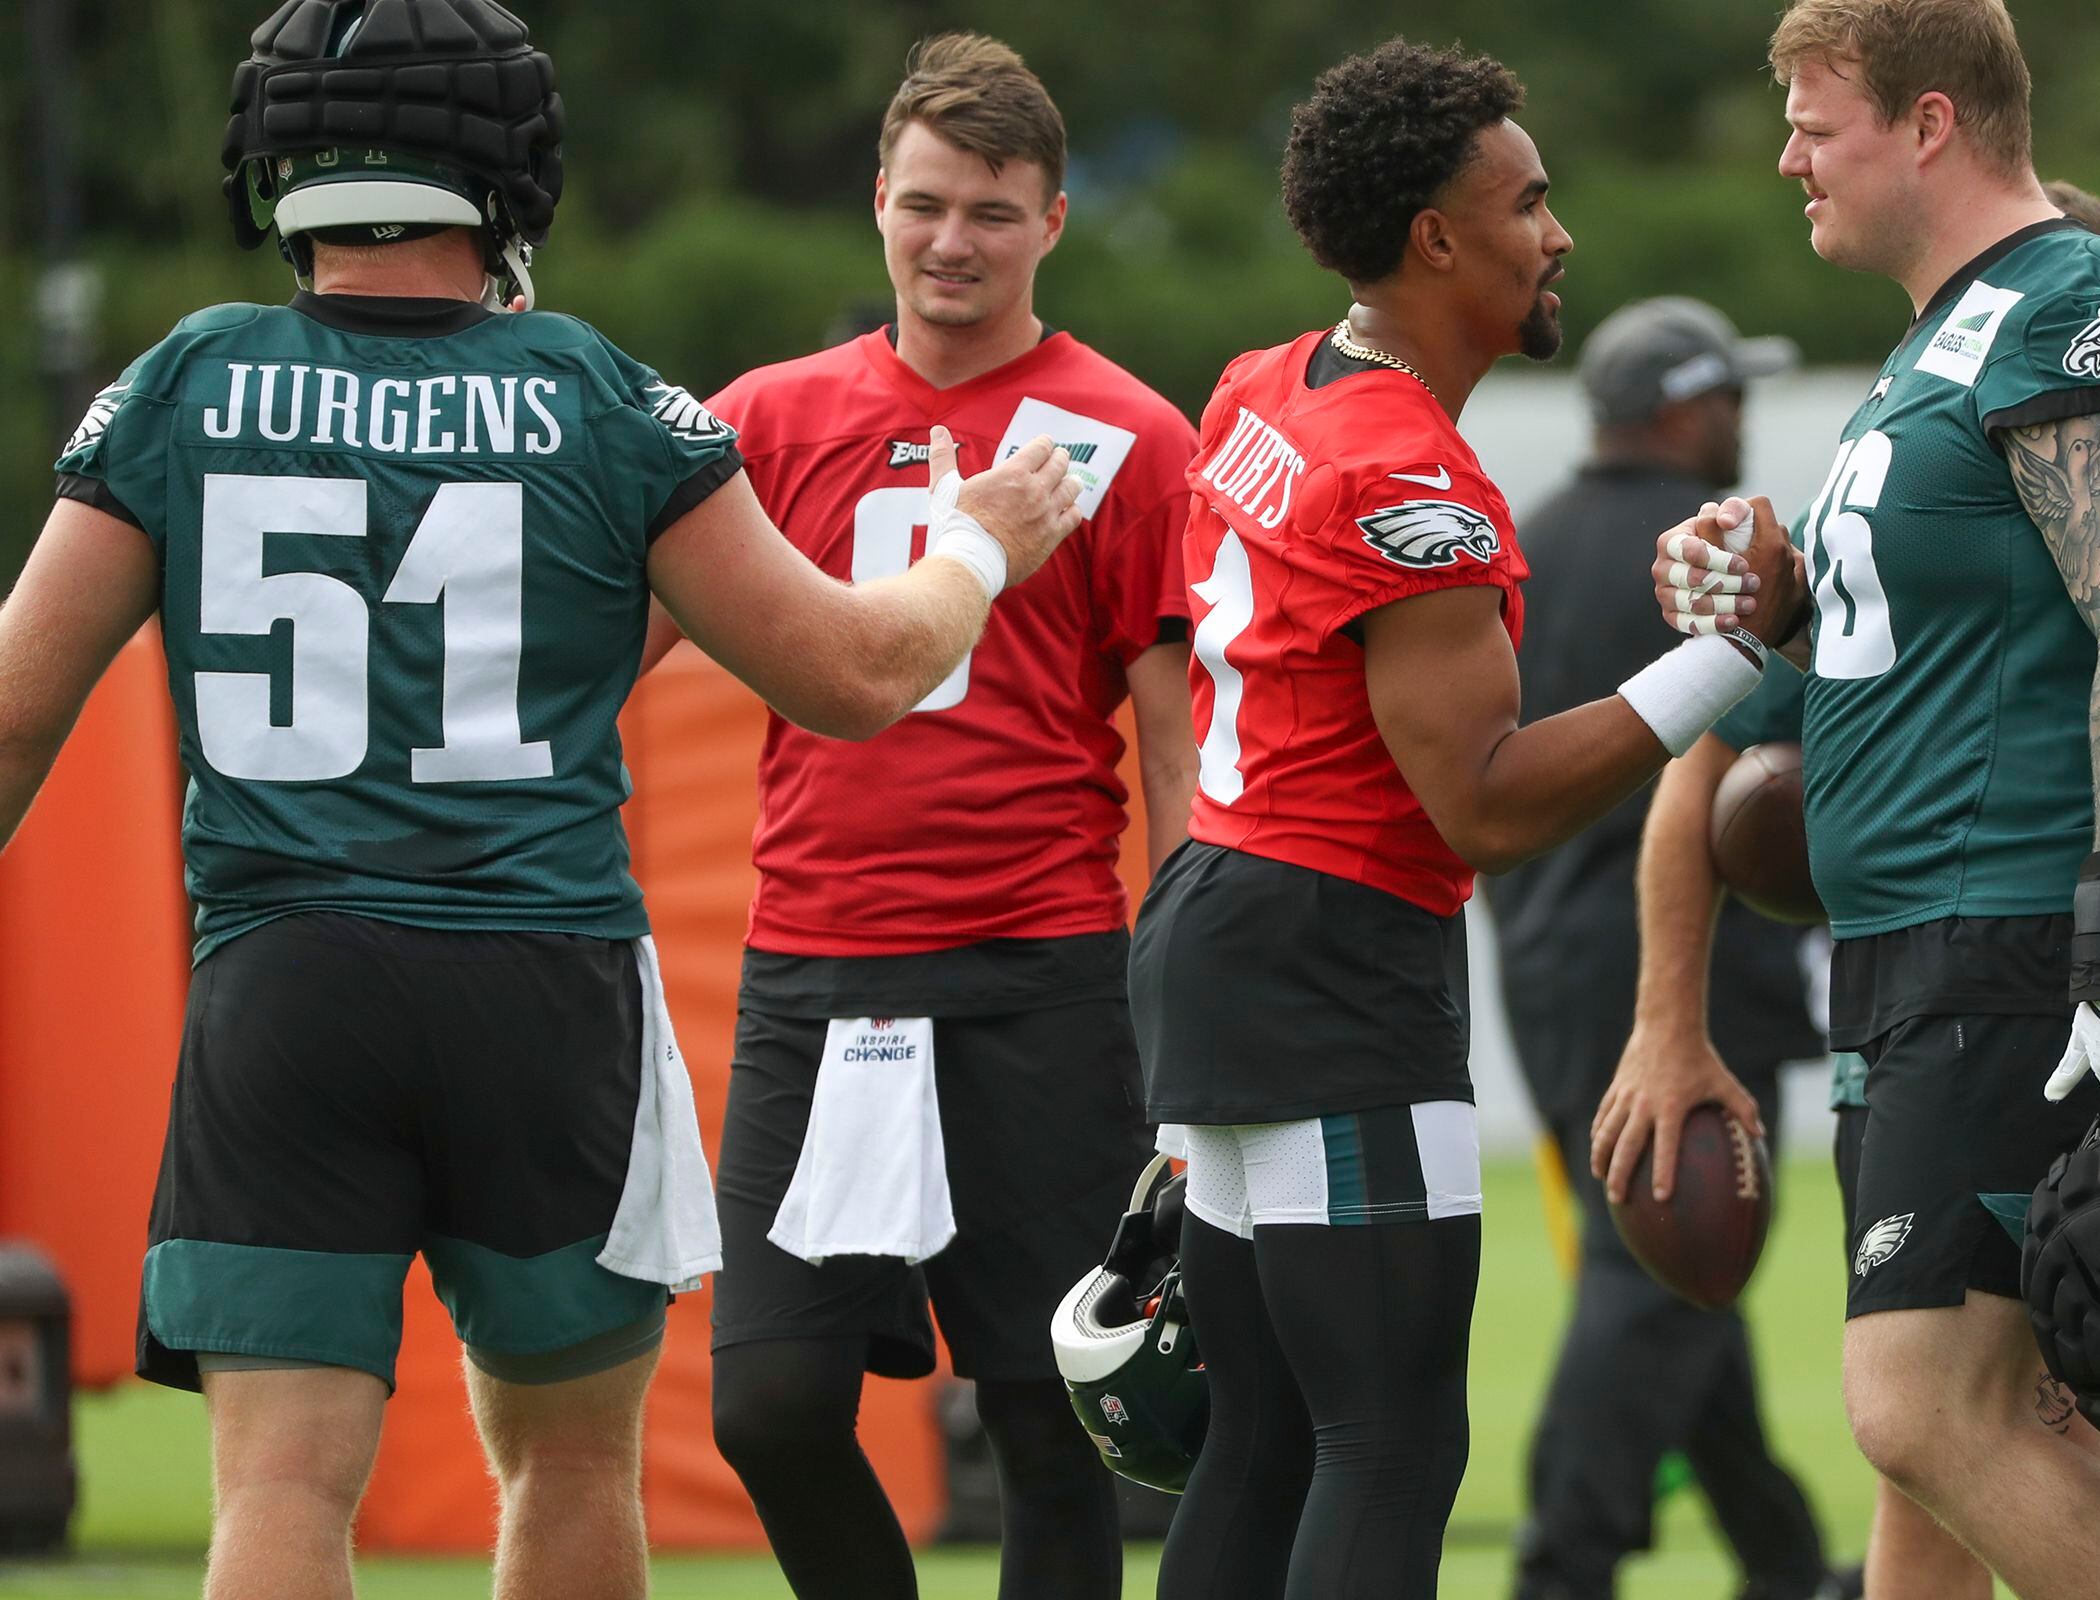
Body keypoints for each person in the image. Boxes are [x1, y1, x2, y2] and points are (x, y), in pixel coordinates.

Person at [2, 5, 1081, 1599]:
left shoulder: (186, 380)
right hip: (542, 983)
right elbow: (852, 679)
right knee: (572, 1466)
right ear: (512, 171)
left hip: (285, 984)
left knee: (281, 1489)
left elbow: (17, 712)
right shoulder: (597, 393)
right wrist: (980, 540)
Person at [1127, 40, 1807, 1600]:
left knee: (1263, 1434)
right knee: (1390, 1438)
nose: (1557, 233)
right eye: (1530, 201)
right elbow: (1486, 804)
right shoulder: (1407, 476)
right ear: (1439, 237)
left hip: (1222, 918)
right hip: (1332, 956)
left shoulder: (1266, 383)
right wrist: (1725, 659)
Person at [1595, 4, 2100, 1597]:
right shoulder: (1937, 339)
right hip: (1913, 956)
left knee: (1920, 1415)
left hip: (2021, 941)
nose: (1787, 156)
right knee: (1965, 1478)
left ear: (1932, 124)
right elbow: (1948, 623)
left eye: (1819, 125)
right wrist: (1776, 600)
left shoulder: (2073, 303)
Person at [669, 34, 1200, 1600]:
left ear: (1052, 222)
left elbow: (1174, 752)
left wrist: (1177, 994)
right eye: (922, 204)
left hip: (1037, 972)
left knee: (1051, 1424)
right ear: (875, 207)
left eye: (989, 209)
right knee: (768, 1407)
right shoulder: (762, 419)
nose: (950, 240)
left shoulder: (1132, 434)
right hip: (815, 975)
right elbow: (604, 648)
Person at [1481, 296, 1843, 1600]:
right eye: (1733, 394)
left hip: (1537, 959)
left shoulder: (1523, 546)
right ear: (1689, 405)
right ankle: (1561, 1570)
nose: (1743, 419)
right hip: (1678, 968)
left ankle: (1782, 1561)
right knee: (1660, 1266)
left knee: (1685, 1242)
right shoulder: (1695, 561)